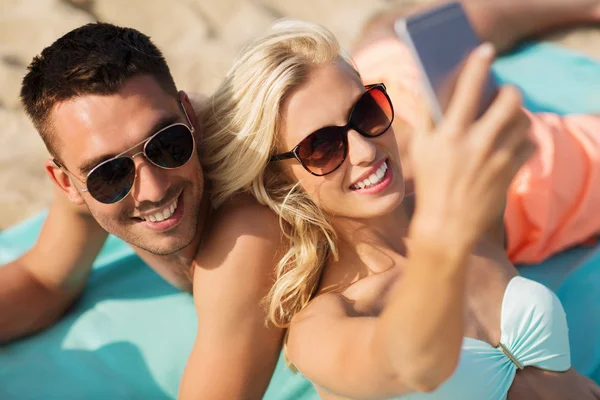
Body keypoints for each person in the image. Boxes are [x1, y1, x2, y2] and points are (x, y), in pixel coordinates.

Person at [201, 19, 600, 399]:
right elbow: (411, 364)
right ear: (278, 180)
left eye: (365, 112)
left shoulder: (457, 210)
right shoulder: (324, 325)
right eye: (322, 147)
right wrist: (444, 230)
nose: (365, 150)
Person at [0, 23, 284, 399]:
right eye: (110, 174)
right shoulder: (91, 183)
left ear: (191, 120)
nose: (152, 189)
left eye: (167, 144)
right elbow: (45, 280)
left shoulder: (245, 228)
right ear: (67, 183)